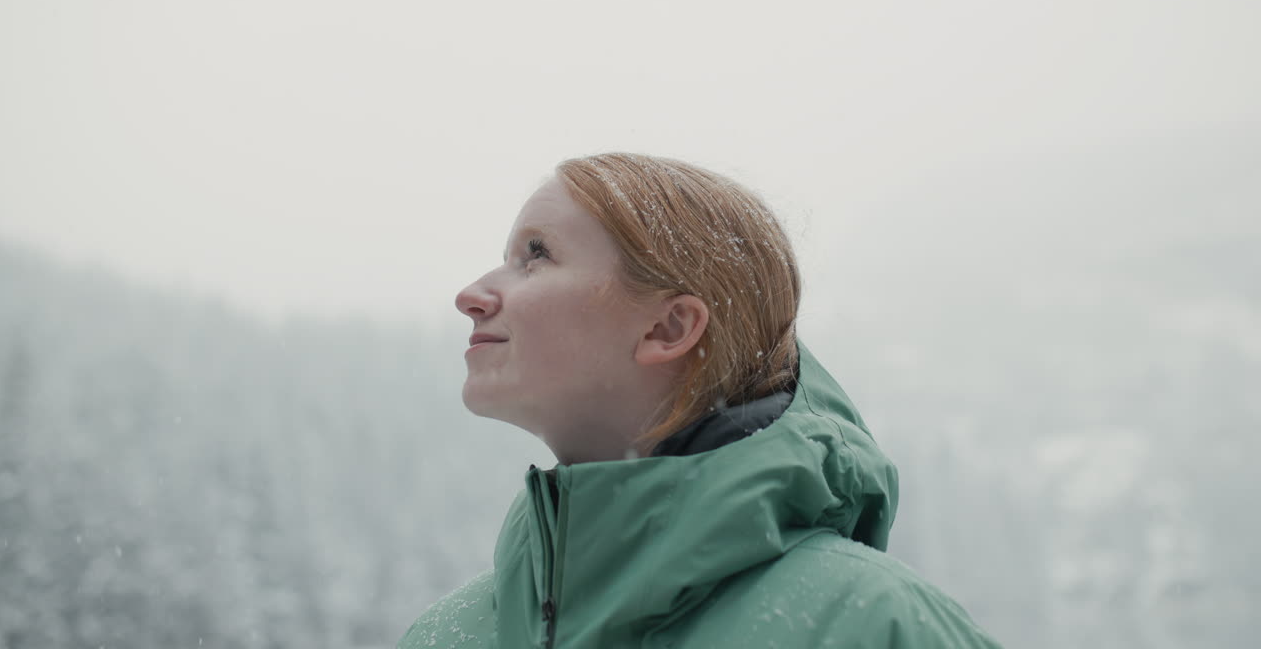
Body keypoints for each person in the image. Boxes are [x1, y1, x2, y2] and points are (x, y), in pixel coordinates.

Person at [398, 153, 1002, 649]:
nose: (471, 295)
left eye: (536, 255)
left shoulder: (871, 627)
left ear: (668, 328)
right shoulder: (444, 636)